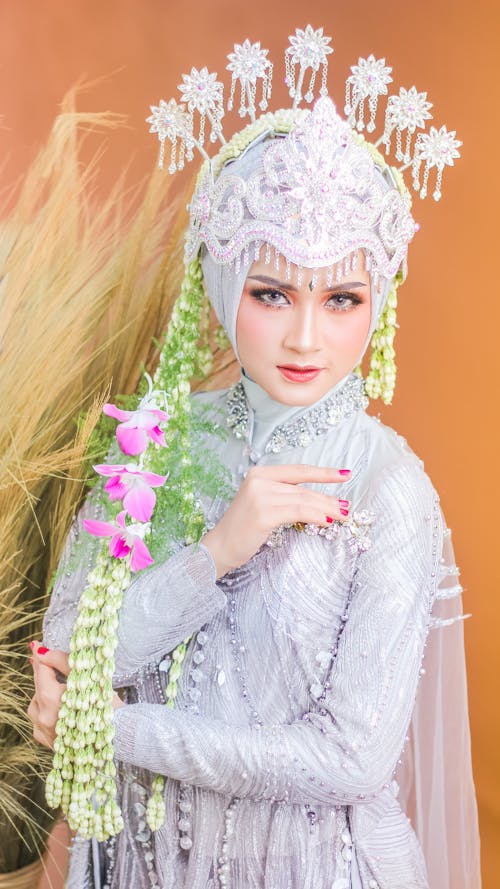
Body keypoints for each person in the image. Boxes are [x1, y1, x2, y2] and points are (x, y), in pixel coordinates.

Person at [28, 27, 480, 889]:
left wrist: (111, 727)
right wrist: (216, 553)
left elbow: (347, 760)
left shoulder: (390, 490)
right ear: (221, 276)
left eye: (341, 297)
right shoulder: (152, 440)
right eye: (272, 293)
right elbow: (68, 647)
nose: (306, 336)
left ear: (377, 303)